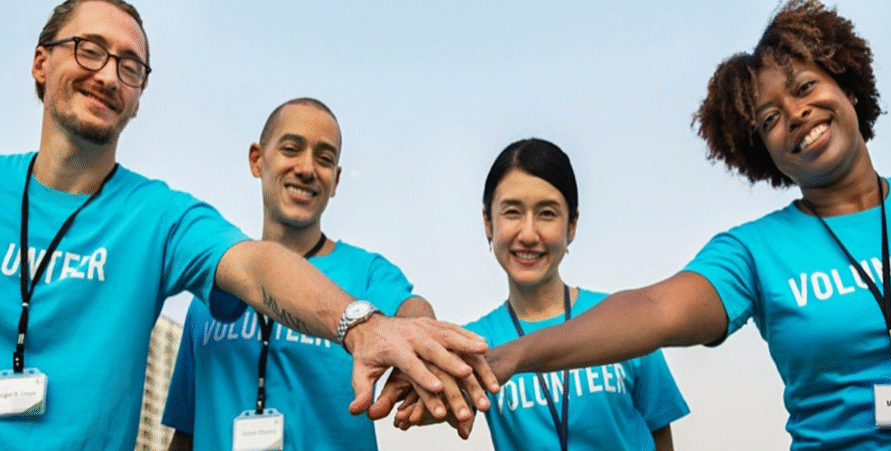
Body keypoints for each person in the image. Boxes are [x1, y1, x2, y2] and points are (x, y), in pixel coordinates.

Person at [0, 1, 496, 449]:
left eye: (129, 67)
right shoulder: (204, 310)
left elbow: (265, 270)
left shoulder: (165, 220)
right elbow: (185, 432)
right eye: (90, 50)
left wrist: (370, 326)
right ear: (41, 62)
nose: (109, 76)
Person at [476, 1, 891, 450]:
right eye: (770, 119)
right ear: (762, 151)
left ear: (846, 84)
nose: (796, 113)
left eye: (806, 86)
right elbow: (656, 310)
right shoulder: (753, 253)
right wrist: (513, 355)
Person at [161, 97, 484, 450]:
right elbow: (186, 432)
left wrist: (424, 340)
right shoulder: (213, 292)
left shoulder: (366, 272)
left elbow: (410, 309)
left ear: (336, 180)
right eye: (291, 149)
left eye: (325, 158)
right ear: (257, 159)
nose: (307, 168)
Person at [386, 139, 690, 450]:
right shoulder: (473, 345)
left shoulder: (625, 320)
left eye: (547, 213)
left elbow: (659, 434)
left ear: (572, 225)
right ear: (488, 223)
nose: (529, 234)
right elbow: (442, 397)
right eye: (512, 212)